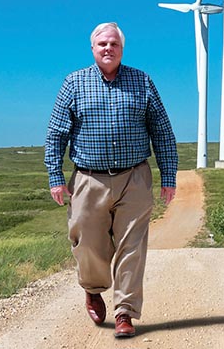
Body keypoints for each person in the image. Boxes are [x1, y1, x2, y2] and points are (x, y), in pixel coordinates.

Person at [44, 22, 178, 338]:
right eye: (102, 43)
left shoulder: (142, 81)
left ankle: (125, 313)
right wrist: (55, 176)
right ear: (93, 48)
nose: (108, 48)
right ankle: (93, 288)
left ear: (122, 48)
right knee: (87, 243)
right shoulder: (73, 83)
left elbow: (162, 132)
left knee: (132, 247)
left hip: (134, 177)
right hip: (88, 179)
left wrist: (168, 177)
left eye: (114, 44)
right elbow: (56, 134)